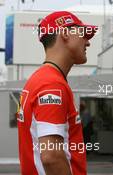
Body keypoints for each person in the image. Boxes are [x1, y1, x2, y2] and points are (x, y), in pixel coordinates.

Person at [17, 11, 97, 175]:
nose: (88, 42)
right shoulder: (52, 84)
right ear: (65, 33)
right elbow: (51, 156)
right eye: (83, 34)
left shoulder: (40, 79)